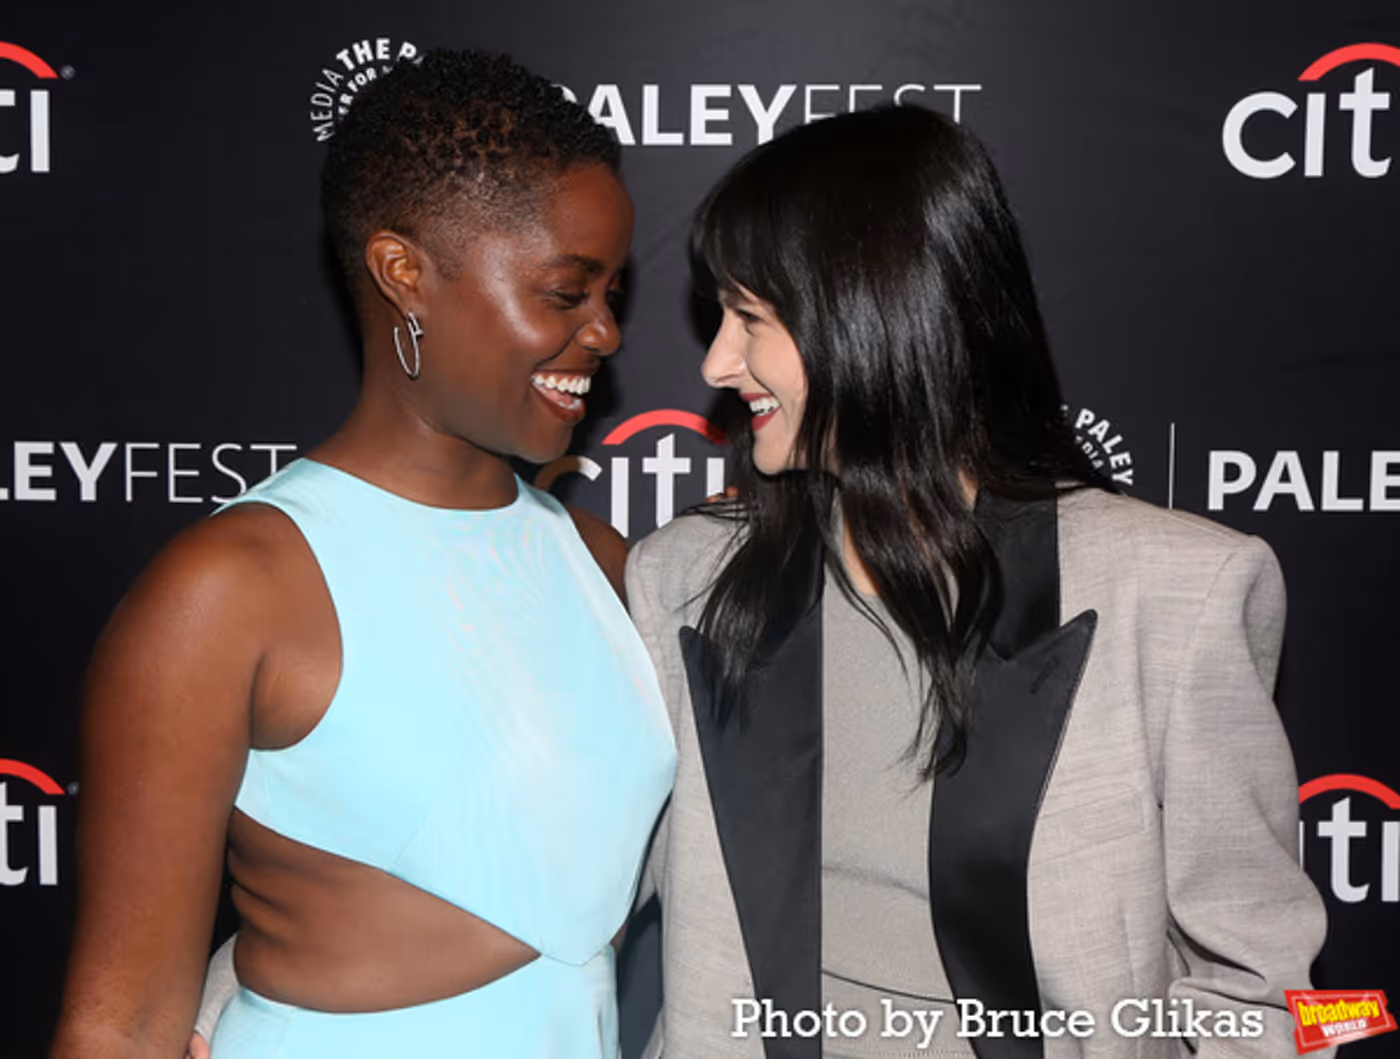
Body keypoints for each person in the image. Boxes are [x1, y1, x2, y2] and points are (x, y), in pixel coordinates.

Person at [623, 104, 1328, 1058]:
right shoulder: (685, 580)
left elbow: (1263, 993)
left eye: (750, 317)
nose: (715, 361)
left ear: (874, 313)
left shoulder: (1178, 594)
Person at [49, 50, 674, 1059]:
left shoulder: (598, 558)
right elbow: (118, 1026)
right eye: (565, 292)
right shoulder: (228, 590)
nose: (603, 331)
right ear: (403, 274)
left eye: (611, 291)